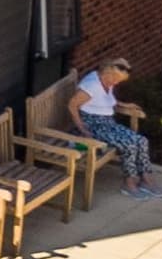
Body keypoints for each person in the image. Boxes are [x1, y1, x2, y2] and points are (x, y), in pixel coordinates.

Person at [67, 59, 156, 194]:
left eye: (119, 80)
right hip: (93, 125)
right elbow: (72, 105)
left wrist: (123, 105)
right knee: (129, 144)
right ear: (107, 73)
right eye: (115, 79)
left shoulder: (106, 79)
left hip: (107, 123)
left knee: (142, 140)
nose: (116, 83)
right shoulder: (91, 86)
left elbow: (105, 99)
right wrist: (82, 128)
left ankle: (146, 178)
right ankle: (129, 182)